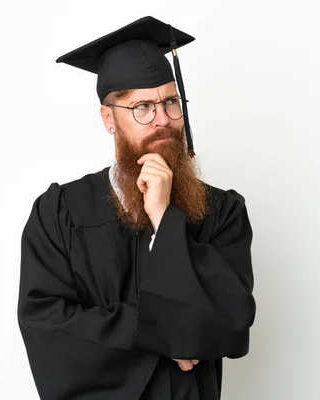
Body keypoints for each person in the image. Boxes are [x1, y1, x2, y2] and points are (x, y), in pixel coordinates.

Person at [17, 15, 256, 400]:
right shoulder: (59, 212)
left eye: (171, 102)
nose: (163, 120)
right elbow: (49, 328)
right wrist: (162, 331)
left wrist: (165, 218)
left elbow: (231, 323)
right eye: (142, 107)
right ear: (109, 119)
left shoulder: (222, 212)